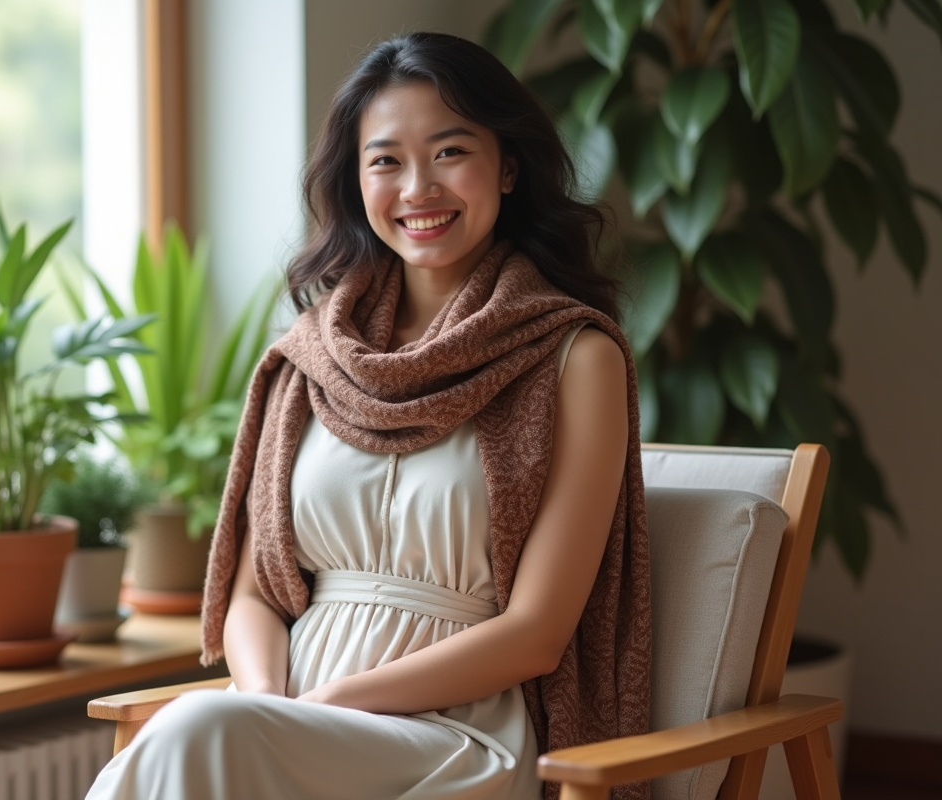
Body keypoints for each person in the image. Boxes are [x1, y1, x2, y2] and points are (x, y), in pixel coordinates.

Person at [87, 31, 650, 800]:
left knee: (193, 731)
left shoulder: (575, 357)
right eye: (385, 160)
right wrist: (266, 705)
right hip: (284, 719)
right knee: (203, 730)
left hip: (456, 735)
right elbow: (255, 596)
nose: (418, 188)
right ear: (356, 182)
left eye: (451, 152)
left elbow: (537, 634)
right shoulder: (314, 357)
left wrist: (322, 707)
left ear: (508, 166)